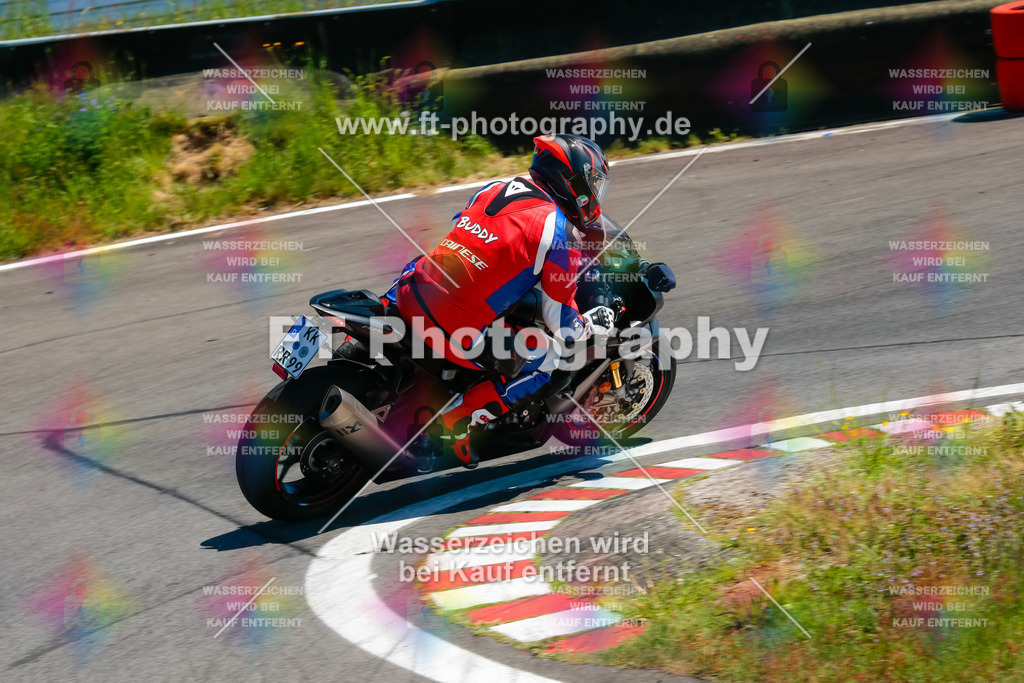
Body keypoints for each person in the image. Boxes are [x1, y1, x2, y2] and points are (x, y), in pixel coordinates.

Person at [383, 134, 676, 469]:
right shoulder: (560, 233)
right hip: (451, 326)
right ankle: (454, 425)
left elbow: (463, 226)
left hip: (409, 292)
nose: (595, 193)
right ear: (573, 180)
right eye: (593, 184)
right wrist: (592, 322)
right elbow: (562, 325)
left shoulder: (496, 188)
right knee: (549, 360)